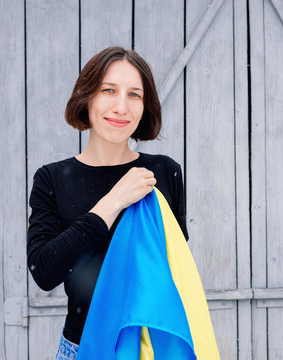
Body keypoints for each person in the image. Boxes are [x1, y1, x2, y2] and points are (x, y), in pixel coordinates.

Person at [26, 46, 189, 360]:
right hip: (81, 347)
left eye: (134, 95)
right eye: (108, 90)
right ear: (86, 97)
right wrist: (113, 201)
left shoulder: (164, 173)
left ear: (145, 107)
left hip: (153, 347)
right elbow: (44, 271)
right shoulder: (52, 179)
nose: (120, 107)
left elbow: (174, 272)